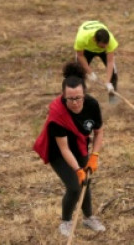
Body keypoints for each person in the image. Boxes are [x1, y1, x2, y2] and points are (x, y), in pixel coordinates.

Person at [33, 62, 106, 237]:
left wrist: (94, 156)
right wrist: (77, 169)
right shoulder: (57, 113)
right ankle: (65, 221)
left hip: (80, 146)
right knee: (74, 187)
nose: (74, 103)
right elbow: (64, 149)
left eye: (78, 98)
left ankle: (89, 218)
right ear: (63, 96)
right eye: (70, 99)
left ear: (84, 94)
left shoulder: (92, 105)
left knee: (85, 183)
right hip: (59, 152)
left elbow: (99, 131)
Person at [73, 20, 119, 104]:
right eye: (102, 46)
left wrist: (108, 82)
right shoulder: (82, 38)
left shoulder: (111, 42)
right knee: (77, 74)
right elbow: (80, 56)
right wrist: (89, 72)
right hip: (87, 49)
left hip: (98, 45)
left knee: (113, 74)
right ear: (94, 40)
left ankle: (113, 103)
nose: (104, 47)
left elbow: (110, 61)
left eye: (106, 46)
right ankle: (78, 100)